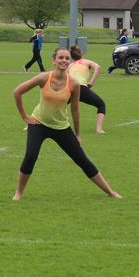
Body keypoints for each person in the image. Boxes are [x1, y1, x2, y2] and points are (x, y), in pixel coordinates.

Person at [12, 47, 121, 200]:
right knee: (30, 156)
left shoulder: (74, 84)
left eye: (67, 58)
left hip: (61, 127)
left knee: (82, 159)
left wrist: (78, 134)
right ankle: (18, 193)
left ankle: (110, 192)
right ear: (54, 60)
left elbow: (75, 110)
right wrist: (24, 116)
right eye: (61, 58)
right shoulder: (43, 78)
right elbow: (17, 92)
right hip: (39, 124)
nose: (64, 60)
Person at [68, 45, 106, 134]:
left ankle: (41, 124)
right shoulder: (85, 62)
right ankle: (99, 129)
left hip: (69, 89)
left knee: (56, 106)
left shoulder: (70, 65)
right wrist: (92, 82)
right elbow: (98, 67)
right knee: (101, 105)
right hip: (81, 88)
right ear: (81, 53)